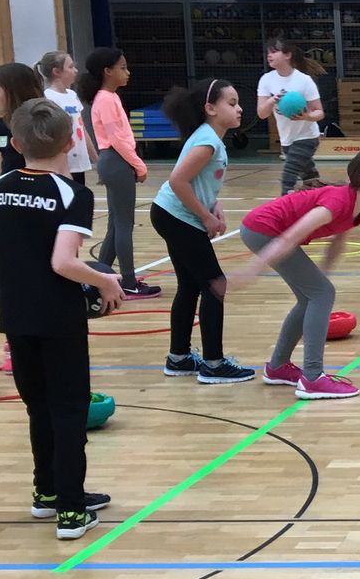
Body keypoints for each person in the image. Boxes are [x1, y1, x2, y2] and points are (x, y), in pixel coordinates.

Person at [0, 98, 126, 539]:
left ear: (16, 144)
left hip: (15, 316)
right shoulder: (73, 194)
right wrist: (105, 281)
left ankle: (48, 493)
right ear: (71, 141)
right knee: (69, 410)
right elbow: (63, 262)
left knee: (38, 407)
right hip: (58, 318)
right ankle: (72, 512)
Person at [233, 149, 360, 401]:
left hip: (265, 231)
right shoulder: (337, 201)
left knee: (312, 296)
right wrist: (252, 269)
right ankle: (312, 378)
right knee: (321, 294)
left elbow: (337, 242)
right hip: (263, 230)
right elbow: (290, 237)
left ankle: (278, 367)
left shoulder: (357, 206)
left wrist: (322, 274)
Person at [150, 79, 253, 384]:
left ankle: (179, 358)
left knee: (190, 285)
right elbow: (177, 181)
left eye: (238, 103)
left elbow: (197, 181)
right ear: (210, 108)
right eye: (231, 103)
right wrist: (205, 216)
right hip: (177, 216)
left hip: (170, 214)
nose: (239, 109)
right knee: (215, 284)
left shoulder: (210, 138)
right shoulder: (208, 142)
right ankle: (213, 364)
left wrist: (214, 204)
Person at [79, 47, 159, 299]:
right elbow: (116, 139)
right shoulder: (105, 99)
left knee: (116, 224)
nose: (128, 72)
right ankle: (129, 282)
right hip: (116, 160)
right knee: (124, 224)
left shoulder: (108, 97)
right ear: (107, 71)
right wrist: (139, 165)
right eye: (122, 68)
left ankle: (99, 277)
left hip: (114, 161)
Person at [256, 38, 326, 194]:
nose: (269, 55)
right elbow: (262, 113)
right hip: (287, 139)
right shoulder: (266, 80)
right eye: (268, 53)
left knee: (289, 174)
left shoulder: (304, 81)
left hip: (307, 136)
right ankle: (319, 190)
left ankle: (284, 200)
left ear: (287, 55)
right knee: (308, 177)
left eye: (274, 52)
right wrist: (272, 100)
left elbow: (319, 112)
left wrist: (306, 116)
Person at [36, 50, 95, 185]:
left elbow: (81, 128)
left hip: (78, 163)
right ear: (57, 72)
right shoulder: (48, 98)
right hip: (61, 165)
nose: (75, 70)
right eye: (71, 67)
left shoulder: (72, 95)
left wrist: (95, 158)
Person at [0, 62, 43, 173]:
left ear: (14, 91)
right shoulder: (2, 125)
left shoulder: (44, 123)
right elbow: (3, 158)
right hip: (11, 181)